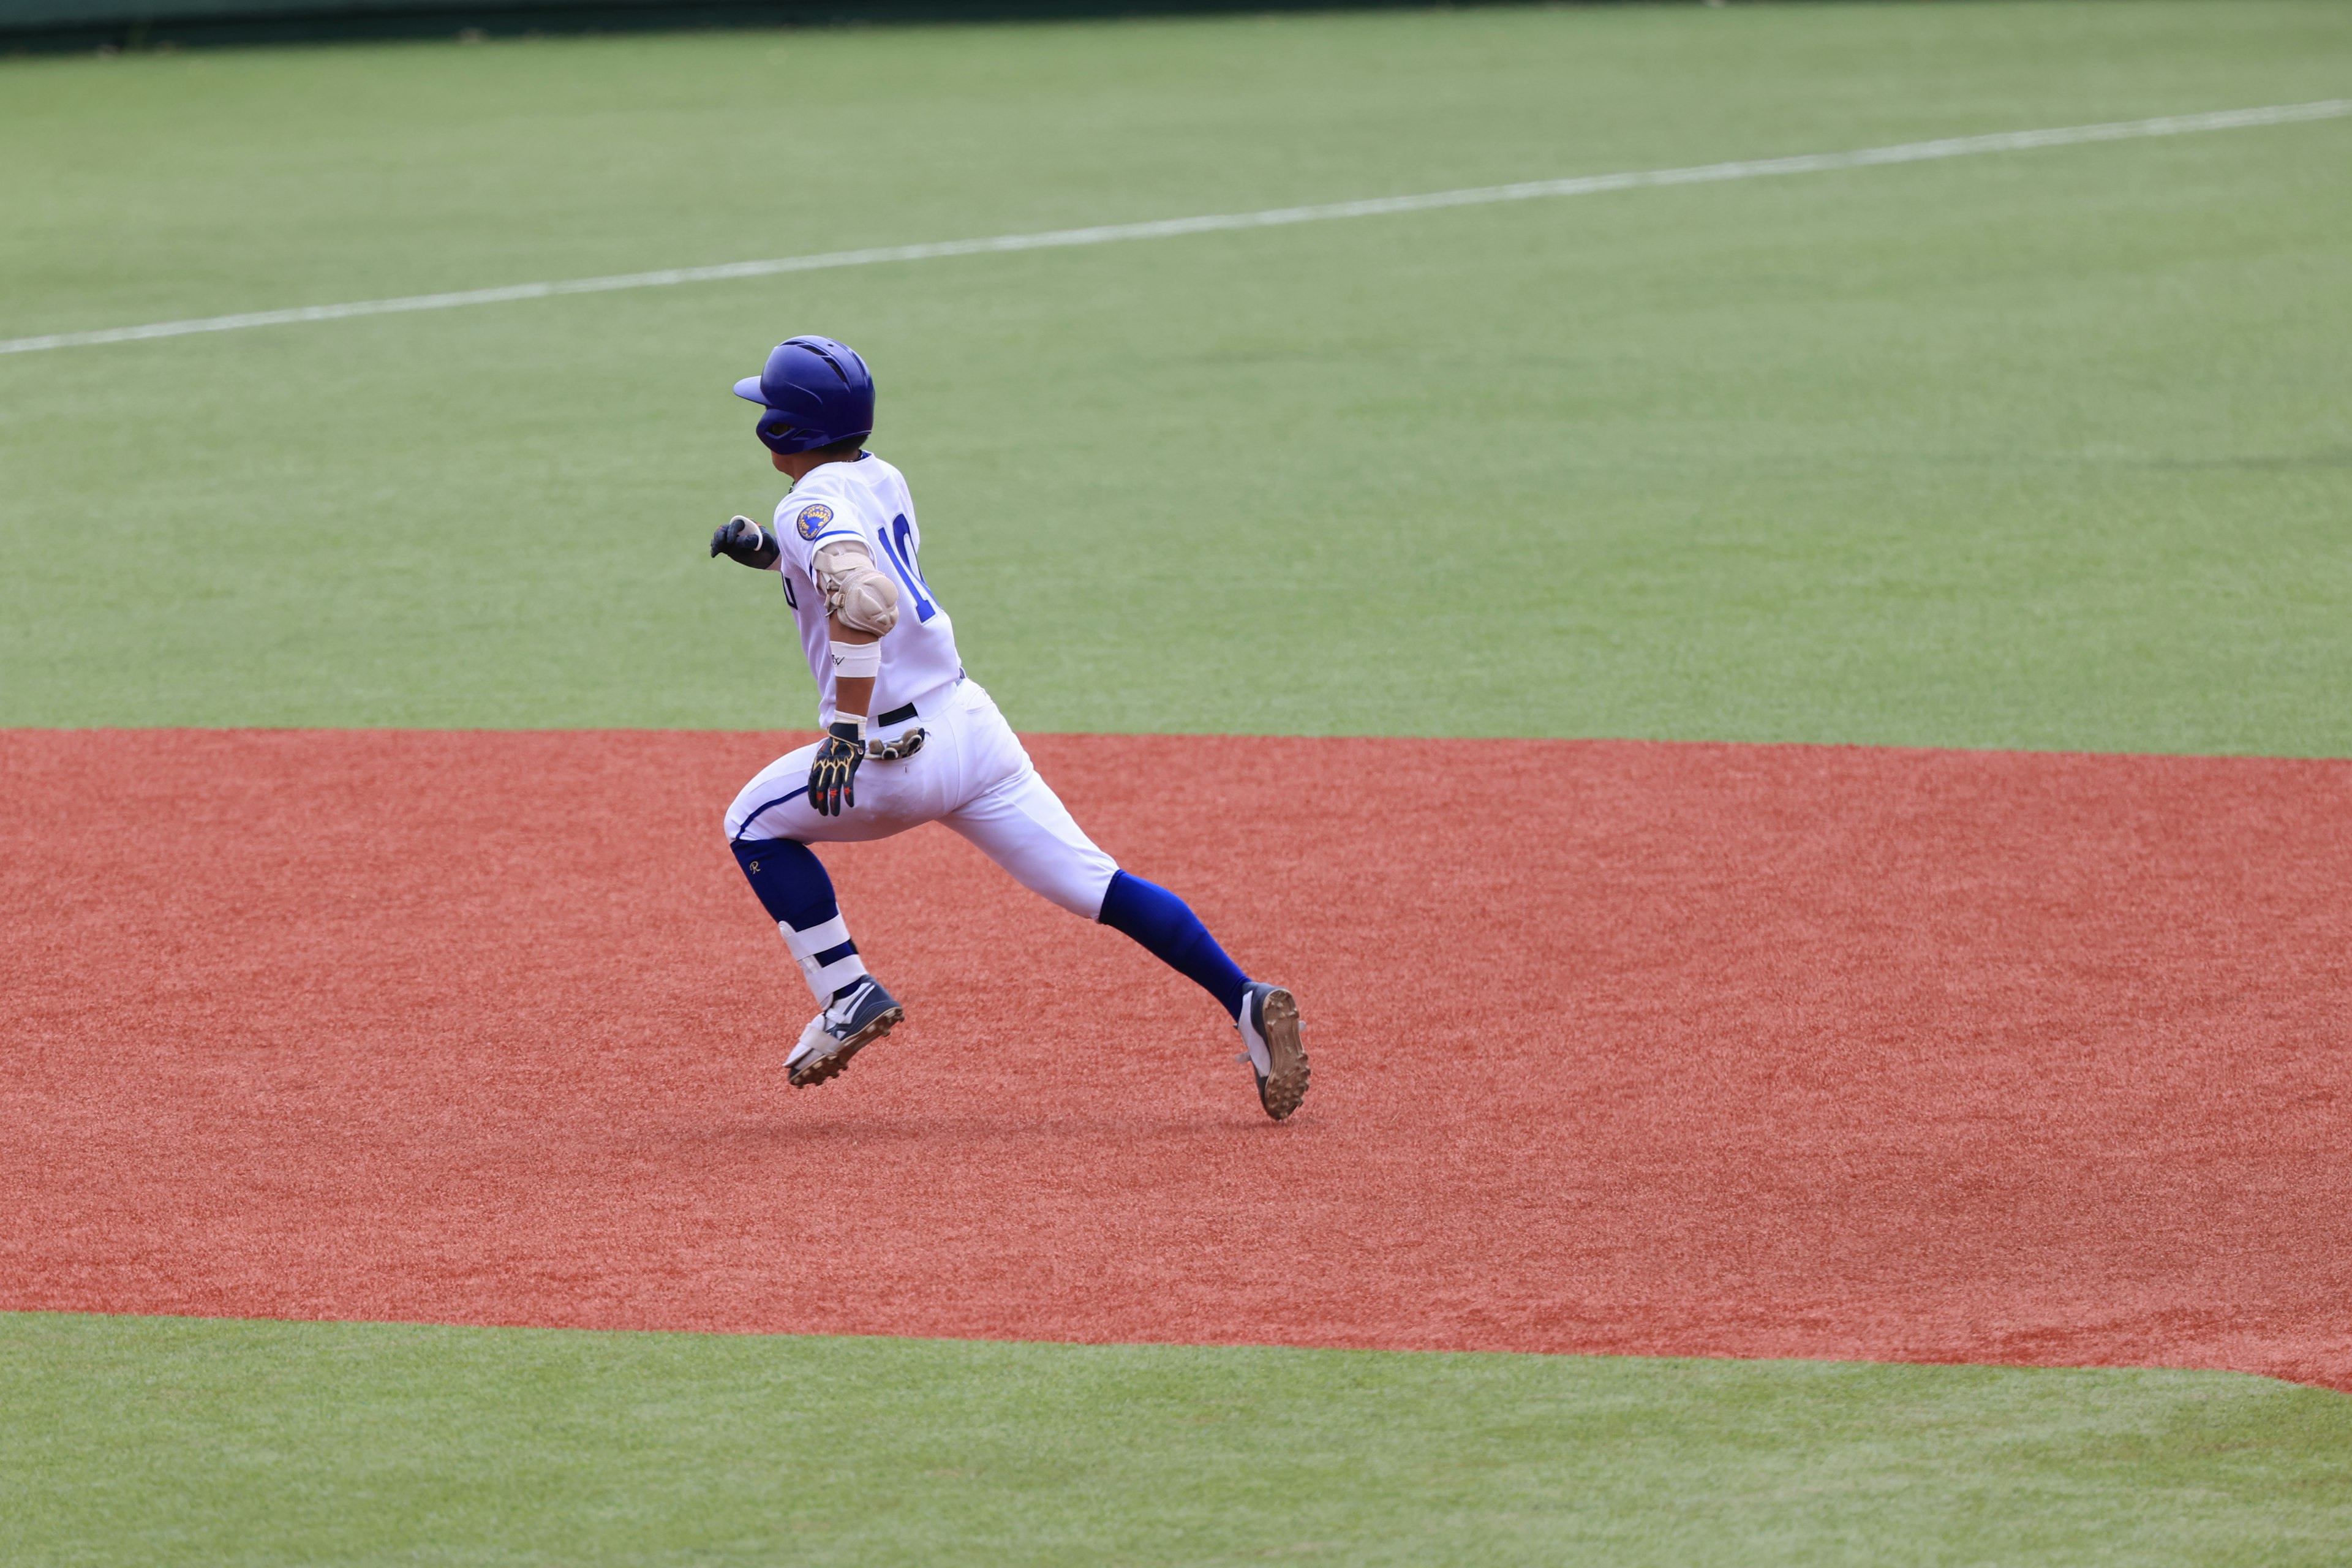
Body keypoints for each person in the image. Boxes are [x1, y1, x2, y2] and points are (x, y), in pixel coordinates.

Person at [709, 335, 1310, 1120]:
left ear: (782, 432)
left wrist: (847, 734)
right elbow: (837, 557)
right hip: (972, 729)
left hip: (892, 754)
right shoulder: (880, 475)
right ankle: (1244, 996)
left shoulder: (806, 507)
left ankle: (846, 989)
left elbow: (863, 600)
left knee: (750, 821)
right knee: (1101, 884)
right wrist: (767, 552)